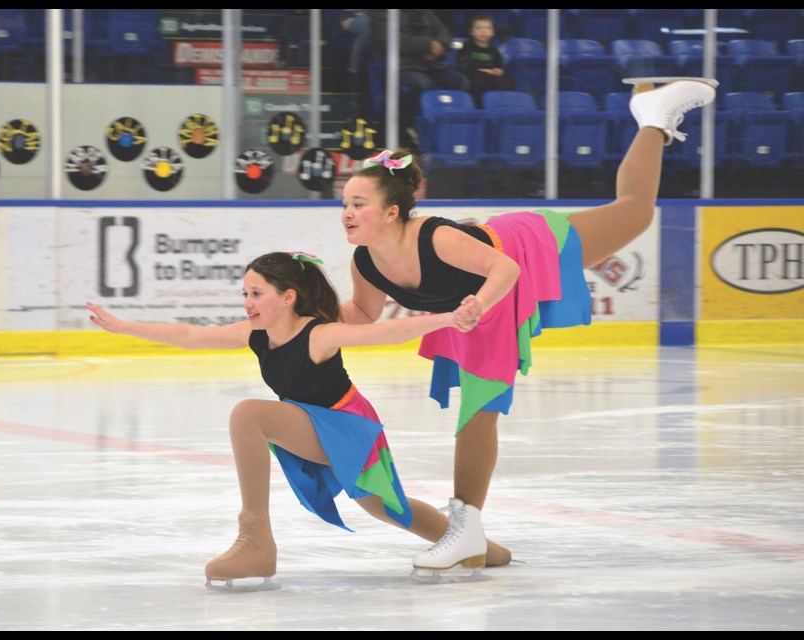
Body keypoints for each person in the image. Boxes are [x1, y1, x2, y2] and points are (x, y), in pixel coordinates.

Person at [338, 78, 718, 576]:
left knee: (634, 213)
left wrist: (477, 303)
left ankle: (654, 119)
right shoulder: (367, 263)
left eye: (357, 204)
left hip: (517, 254)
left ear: (391, 211)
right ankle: (467, 528)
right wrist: (300, 311)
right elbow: (362, 316)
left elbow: (505, 271)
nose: (346, 213)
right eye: (344, 202)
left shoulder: (437, 238)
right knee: (479, 408)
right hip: (471, 308)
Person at [86, 251, 512, 591]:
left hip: (346, 426)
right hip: (313, 424)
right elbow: (190, 335)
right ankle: (482, 549)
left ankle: (256, 540)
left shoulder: (318, 333)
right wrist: (124, 327)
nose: (248, 303)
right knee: (381, 504)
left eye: (257, 294)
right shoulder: (257, 335)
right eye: (245, 294)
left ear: (288, 296)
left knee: (254, 419)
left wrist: (448, 320)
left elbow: (385, 333)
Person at [369, 9, 469, 148]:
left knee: (460, 81)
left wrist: (440, 45)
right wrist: (427, 45)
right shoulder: (383, 12)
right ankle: (414, 127)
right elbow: (388, 38)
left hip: (431, 65)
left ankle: (453, 133)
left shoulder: (425, 12)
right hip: (401, 66)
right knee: (424, 85)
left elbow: (444, 32)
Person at [455, 15, 509, 108]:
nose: (483, 31)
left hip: (490, 77)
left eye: (487, 28)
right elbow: (465, 66)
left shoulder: (494, 49)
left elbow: (499, 64)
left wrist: (499, 70)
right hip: (473, 77)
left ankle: (500, 106)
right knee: (478, 80)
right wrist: (485, 71)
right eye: (479, 28)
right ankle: (479, 107)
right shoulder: (467, 47)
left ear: (492, 32)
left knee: (506, 79)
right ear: (471, 32)